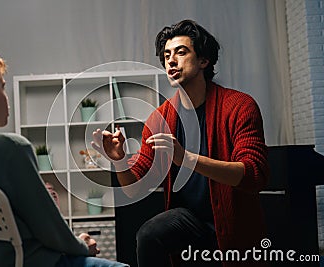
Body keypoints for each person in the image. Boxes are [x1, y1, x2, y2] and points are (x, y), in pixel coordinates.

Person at [0, 43, 128, 267]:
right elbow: (50, 228)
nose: (6, 97)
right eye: (2, 88)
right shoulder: (12, 148)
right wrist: (81, 245)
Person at [92, 20, 269, 267]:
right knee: (150, 233)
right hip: (190, 225)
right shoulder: (160, 118)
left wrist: (186, 158)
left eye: (181, 52)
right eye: (166, 55)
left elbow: (254, 175)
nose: (171, 61)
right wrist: (119, 160)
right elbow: (135, 188)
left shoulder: (239, 106)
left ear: (203, 61)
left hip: (235, 226)